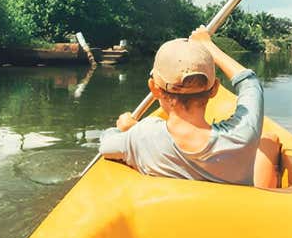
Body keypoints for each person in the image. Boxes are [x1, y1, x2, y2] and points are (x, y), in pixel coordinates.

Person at [99, 26, 281, 188]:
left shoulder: (141, 136)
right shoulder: (242, 135)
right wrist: (208, 45)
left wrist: (126, 130)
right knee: (268, 140)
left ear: (154, 88)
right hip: (233, 220)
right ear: (215, 89)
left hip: (176, 219)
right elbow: (250, 83)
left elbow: (106, 145)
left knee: (268, 141)